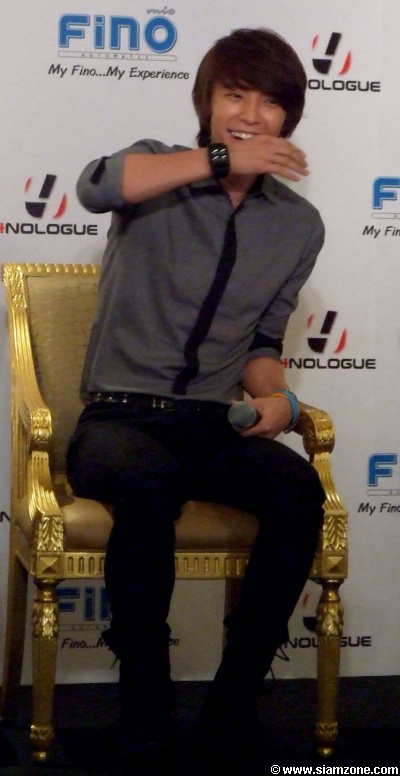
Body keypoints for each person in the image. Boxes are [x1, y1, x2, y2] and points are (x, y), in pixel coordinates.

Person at [66, 27, 326, 776]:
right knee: (148, 482)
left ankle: (233, 704)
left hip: (210, 425)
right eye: (234, 95)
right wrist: (217, 159)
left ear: (289, 117)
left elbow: (263, 343)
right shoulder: (157, 168)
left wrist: (278, 400)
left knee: (297, 490)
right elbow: (94, 186)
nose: (250, 114)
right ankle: (145, 704)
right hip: (119, 417)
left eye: (269, 102)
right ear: (206, 102)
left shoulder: (297, 224)